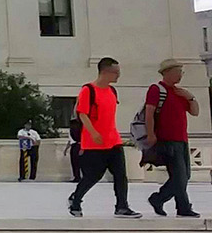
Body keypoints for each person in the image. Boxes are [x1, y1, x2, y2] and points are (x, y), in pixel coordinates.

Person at [69, 58, 142, 218]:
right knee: (93, 176)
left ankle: (122, 206)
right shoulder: (88, 90)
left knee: (121, 175)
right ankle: (76, 200)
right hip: (93, 143)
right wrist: (93, 133)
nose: (118, 76)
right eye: (116, 72)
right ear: (105, 72)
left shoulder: (112, 91)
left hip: (113, 140)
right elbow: (82, 114)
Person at [145, 58, 200, 217]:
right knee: (180, 176)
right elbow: (149, 112)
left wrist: (190, 97)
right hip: (167, 140)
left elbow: (195, 112)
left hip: (182, 139)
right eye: (177, 72)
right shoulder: (157, 89)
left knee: (184, 175)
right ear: (167, 73)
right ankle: (183, 208)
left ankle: (159, 198)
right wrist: (150, 134)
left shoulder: (179, 92)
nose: (180, 75)